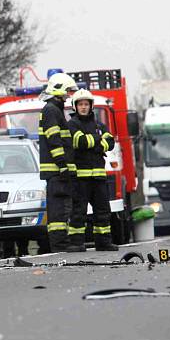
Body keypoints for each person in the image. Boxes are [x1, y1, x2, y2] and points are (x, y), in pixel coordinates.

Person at [68, 89, 118, 251]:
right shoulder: (72, 124)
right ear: (75, 106)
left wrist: (93, 143)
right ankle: (76, 243)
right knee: (79, 212)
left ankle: (103, 242)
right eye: (80, 104)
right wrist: (97, 140)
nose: (83, 107)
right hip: (80, 178)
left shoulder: (98, 124)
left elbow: (110, 142)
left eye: (86, 104)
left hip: (98, 177)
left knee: (103, 211)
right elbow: (79, 142)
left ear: (91, 106)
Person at [38, 72, 80, 253]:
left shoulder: (54, 110)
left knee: (63, 208)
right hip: (56, 171)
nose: (69, 96)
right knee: (58, 209)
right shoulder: (51, 110)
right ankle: (59, 244)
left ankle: (62, 243)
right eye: (67, 92)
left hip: (58, 170)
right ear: (59, 90)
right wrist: (62, 164)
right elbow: (54, 140)